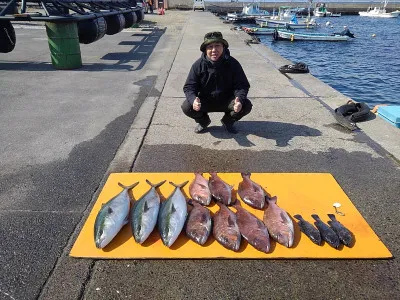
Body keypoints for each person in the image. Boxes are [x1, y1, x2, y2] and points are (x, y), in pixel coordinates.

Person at [182, 31, 252, 134]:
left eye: (217, 46)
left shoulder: (233, 64)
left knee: (246, 105)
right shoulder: (197, 65)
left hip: (227, 101)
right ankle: (204, 121)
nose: (214, 50)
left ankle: (228, 121)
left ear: (223, 47)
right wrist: (194, 100)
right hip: (206, 101)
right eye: (210, 47)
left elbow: (242, 85)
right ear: (205, 50)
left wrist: (239, 100)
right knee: (187, 106)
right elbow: (189, 87)